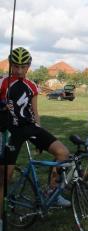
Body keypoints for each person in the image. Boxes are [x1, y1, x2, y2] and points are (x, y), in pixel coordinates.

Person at [0, 47, 71, 210]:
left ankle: (51, 192)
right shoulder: (3, 82)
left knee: (63, 153)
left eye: (23, 66)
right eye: (15, 66)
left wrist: (38, 133)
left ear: (28, 66)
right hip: (12, 131)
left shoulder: (31, 86)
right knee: (5, 177)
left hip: (31, 128)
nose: (19, 70)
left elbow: (35, 113)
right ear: (10, 64)